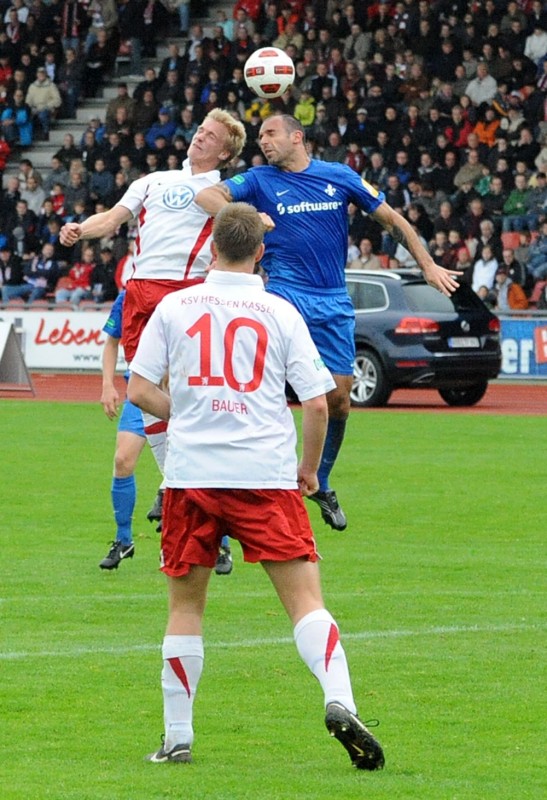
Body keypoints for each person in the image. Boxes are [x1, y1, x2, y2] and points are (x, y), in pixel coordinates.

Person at [127, 202, 385, 770]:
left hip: (192, 474)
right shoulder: (278, 310)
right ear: (260, 251)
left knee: (185, 608)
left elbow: (140, 390)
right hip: (264, 475)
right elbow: (317, 403)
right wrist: (311, 470)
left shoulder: (174, 306)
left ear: (211, 246)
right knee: (305, 603)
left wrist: (187, 414)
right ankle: (339, 698)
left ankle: (178, 736)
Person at [195, 115, 461, 531]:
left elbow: (394, 219)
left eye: (270, 134)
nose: (263, 142)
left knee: (339, 400)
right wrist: (246, 215)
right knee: (255, 393)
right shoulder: (259, 180)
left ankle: (319, 480)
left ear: (296, 137)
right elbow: (207, 196)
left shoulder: (338, 176)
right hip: (283, 295)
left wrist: (426, 265)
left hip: (333, 300)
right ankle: (228, 493)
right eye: (260, 136)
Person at [60, 109, 246, 574]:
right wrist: (81, 228)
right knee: (146, 395)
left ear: (225, 151)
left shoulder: (224, 190)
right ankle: (179, 483)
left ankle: (203, 503)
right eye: (199, 130)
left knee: (188, 396)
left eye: (210, 136)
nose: (199, 138)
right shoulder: (153, 180)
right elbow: (114, 219)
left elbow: (238, 227)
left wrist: (248, 216)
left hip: (189, 292)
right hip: (143, 292)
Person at [99, 290, 164, 570]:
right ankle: (124, 540)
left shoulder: (184, 289)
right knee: (122, 461)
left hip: (180, 395)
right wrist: (107, 385)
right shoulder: (128, 296)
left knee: (190, 467)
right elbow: (112, 342)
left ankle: (220, 544)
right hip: (139, 395)